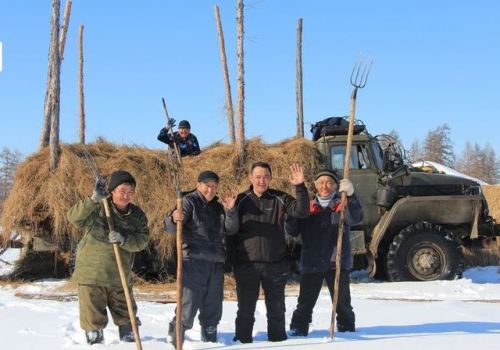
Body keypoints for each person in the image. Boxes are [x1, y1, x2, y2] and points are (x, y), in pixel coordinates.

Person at [227, 162, 309, 343]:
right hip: (247, 264)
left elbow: (302, 211)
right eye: (257, 176)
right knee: (246, 309)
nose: (261, 181)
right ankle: (242, 341)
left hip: (275, 264)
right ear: (250, 178)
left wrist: (300, 186)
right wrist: (231, 211)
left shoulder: (280, 198)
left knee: (277, 308)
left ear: (271, 178)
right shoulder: (240, 200)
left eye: (265, 176)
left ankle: (278, 341)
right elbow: (230, 231)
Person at [67, 170, 150, 345]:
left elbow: (142, 240)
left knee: (127, 316)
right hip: (92, 274)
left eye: (130, 192)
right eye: (122, 191)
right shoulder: (98, 207)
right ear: (112, 191)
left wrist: (124, 240)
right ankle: (95, 342)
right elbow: (73, 218)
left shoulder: (137, 215)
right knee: (93, 317)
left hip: (120, 276)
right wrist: (93, 200)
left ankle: (129, 341)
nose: (126, 196)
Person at [165, 170, 237, 349]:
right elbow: (171, 225)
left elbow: (231, 229)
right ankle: (177, 333)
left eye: (214, 187)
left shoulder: (219, 207)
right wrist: (174, 219)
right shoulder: (189, 202)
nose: (211, 190)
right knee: (189, 301)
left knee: (213, 302)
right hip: (193, 260)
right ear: (198, 185)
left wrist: (230, 212)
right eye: (207, 186)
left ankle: (210, 331)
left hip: (215, 261)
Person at [287, 169, 363, 336]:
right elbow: (292, 230)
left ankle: (347, 330)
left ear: (336, 186)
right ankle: (298, 329)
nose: (325, 186)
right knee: (305, 302)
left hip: (336, 261)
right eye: (321, 182)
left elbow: (356, 218)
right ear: (315, 186)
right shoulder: (308, 207)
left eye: (329, 182)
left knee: (342, 303)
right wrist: (292, 214)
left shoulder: (341, 204)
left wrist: (351, 196)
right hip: (311, 261)